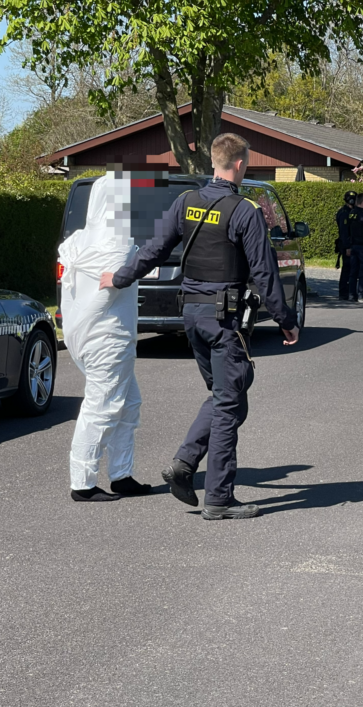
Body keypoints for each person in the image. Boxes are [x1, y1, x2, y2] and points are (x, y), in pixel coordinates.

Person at [99, 133, 298, 520]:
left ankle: (184, 466)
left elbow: (154, 249)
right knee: (228, 404)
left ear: (213, 162)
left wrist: (120, 278)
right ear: (239, 164)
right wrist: (287, 321)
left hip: (191, 316)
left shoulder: (186, 202)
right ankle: (218, 498)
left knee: (228, 395)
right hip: (224, 320)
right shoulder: (245, 211)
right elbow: (265, 273)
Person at [58, 172, 151, 502]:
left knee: (128, 403)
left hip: (86, 336)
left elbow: (70, 292)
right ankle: (82, 483)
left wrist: (76, 330)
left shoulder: (78, 241)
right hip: (109, 336)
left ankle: (121, 474)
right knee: (102, 407)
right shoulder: (117, 242)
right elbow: (110, 287)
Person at [335, 190, 357, 299]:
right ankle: (344, 293)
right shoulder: (344, 213)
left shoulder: (352, 212)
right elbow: (344, 232)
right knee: (347, 269)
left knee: (352, 269)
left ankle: (349, 291)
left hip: (351, 244)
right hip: (346, 245)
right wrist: (347, 247)